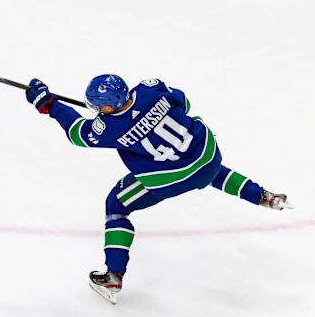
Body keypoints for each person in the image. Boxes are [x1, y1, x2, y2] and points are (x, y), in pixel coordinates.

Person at [25, 75, 292, 304]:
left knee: (116, 206)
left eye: (99, 107)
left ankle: (113, 277)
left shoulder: (109, 128)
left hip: (172, 177)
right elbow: (184, 102)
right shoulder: (150, 88)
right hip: (207, 154)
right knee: (206, 171)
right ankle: (263, 196)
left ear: (107, 107)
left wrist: (49, 103)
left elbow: (76, 132)